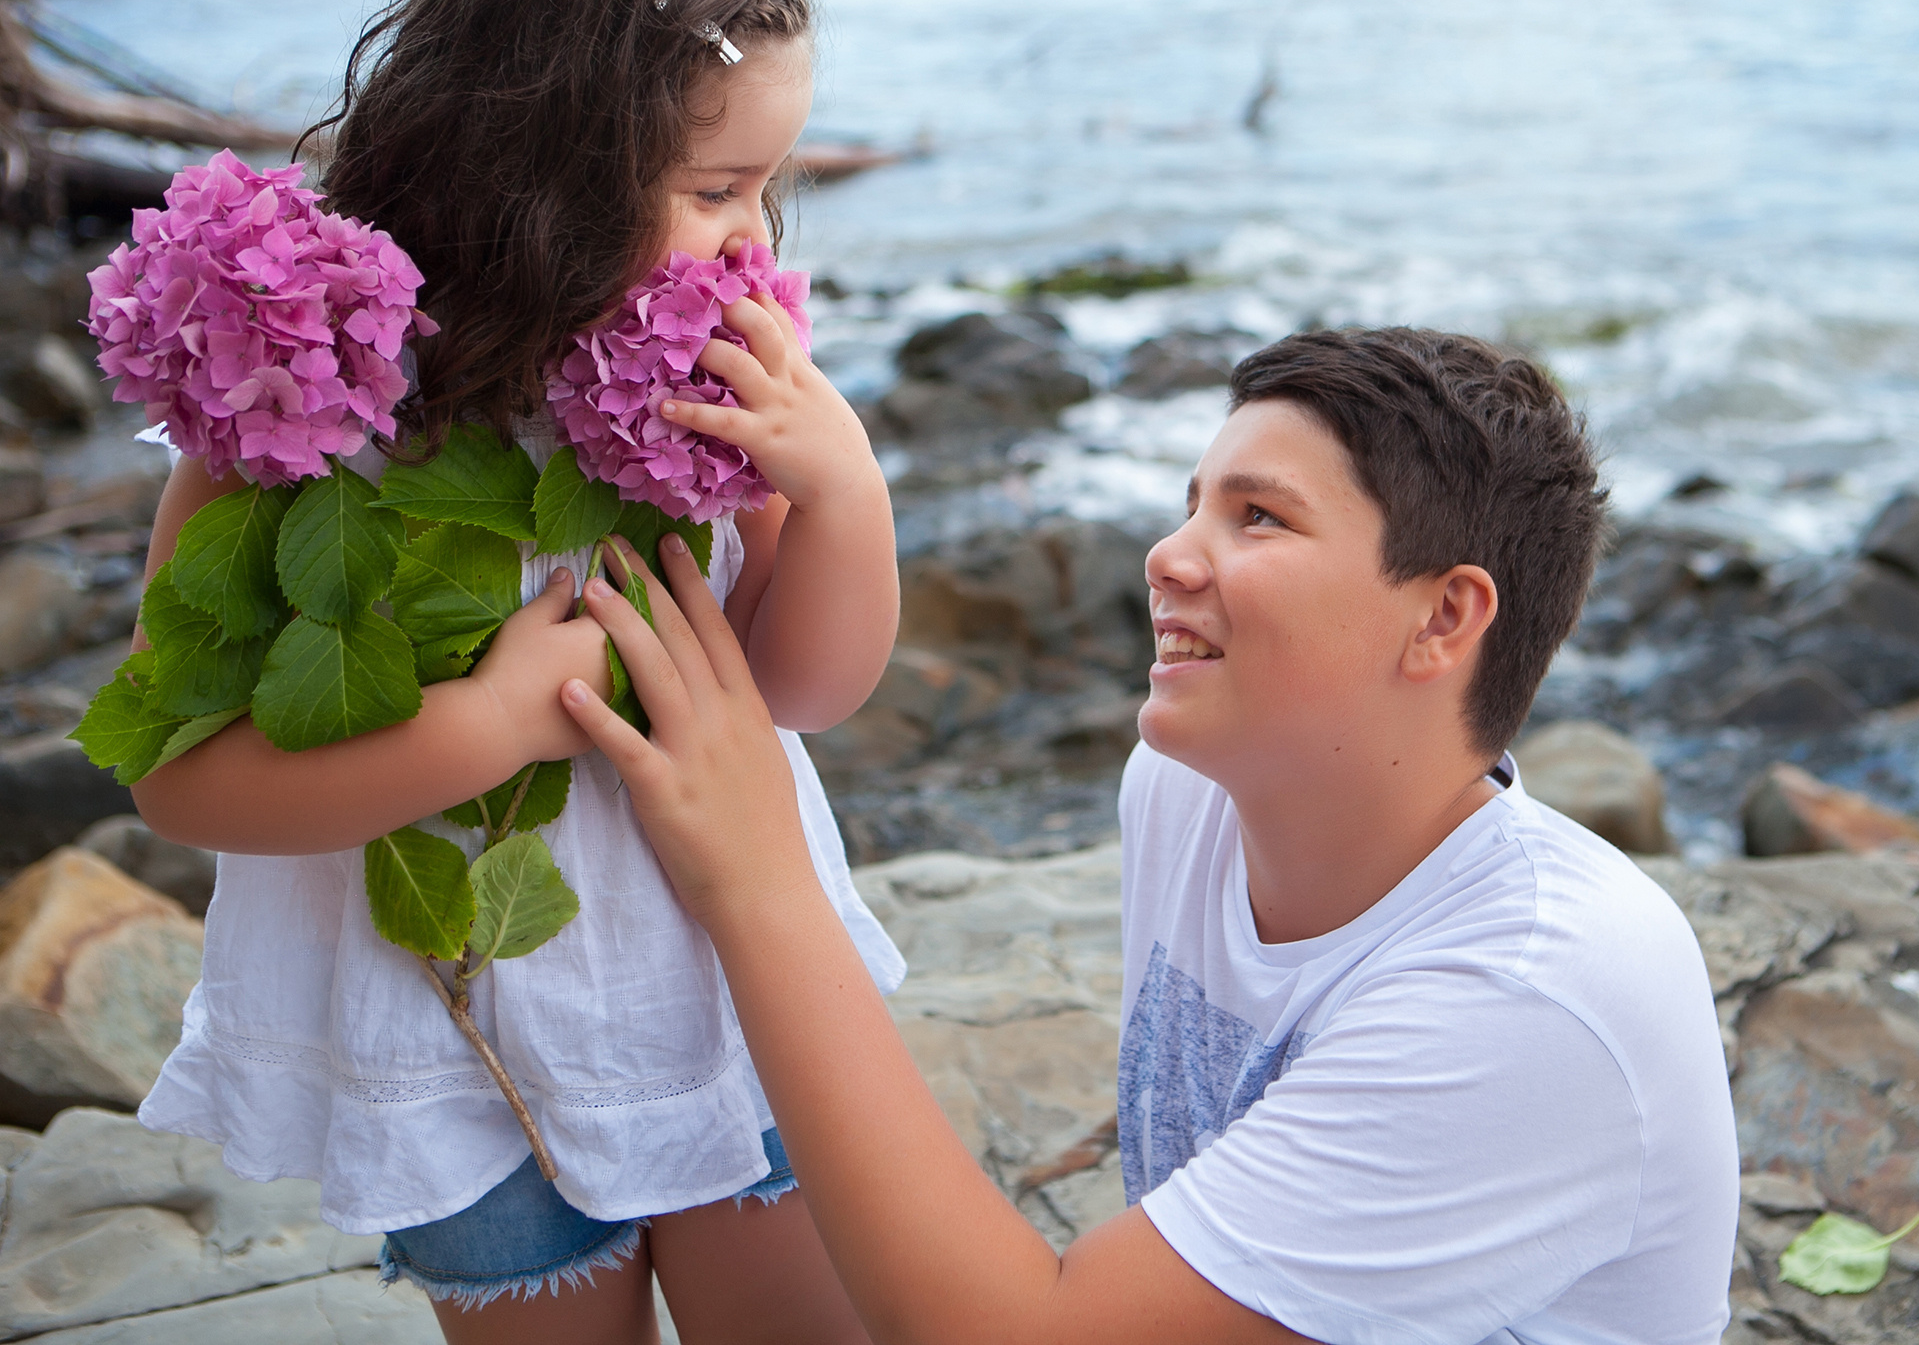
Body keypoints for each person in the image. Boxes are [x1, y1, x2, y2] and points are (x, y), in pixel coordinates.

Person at [566, 328, 1742, 1344]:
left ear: (1443, 616)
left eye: (1258, 518)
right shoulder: (1188, 796)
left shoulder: (1531, 999)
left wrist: (760, 880)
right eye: (1193, 504)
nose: (1169, 556)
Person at [130, 0, 898, 1345]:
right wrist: (481, 725)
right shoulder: (304, 420)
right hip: (454, 1047)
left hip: (733, 999)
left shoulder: (711, 395)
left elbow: (802, 688)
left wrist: (844, 487)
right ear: (539, 172)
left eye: (772, 187)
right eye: (716, 189)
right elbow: (176, 780)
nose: (755, 239)